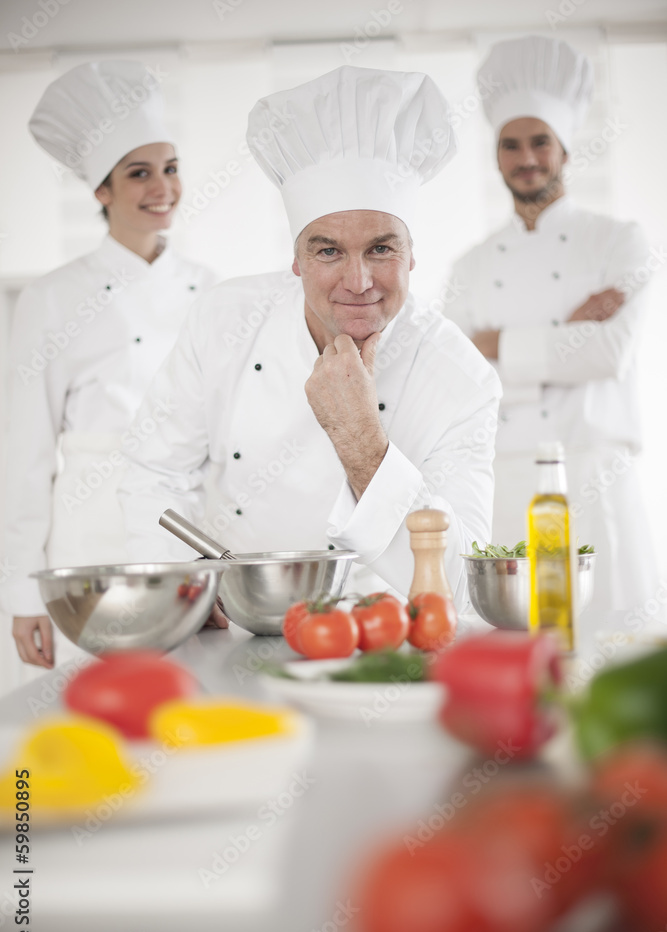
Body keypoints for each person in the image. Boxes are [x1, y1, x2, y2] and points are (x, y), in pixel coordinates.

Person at [119, 65, 501, 609]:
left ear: (413, 254)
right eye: (328, 252)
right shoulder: (226, 319)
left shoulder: (461, 381)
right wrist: (181, 590)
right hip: (234, 619)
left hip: (379, 639)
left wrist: (363, 441)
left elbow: (462, 586)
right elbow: (153, 470)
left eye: (381, 249)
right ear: (295, 261)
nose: (358, 281)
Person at [2, 60, 219, 667]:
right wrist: (23, 592)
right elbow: (27, 453)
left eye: (171, 169)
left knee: (196, 701)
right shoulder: (52, 298)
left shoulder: (210, 289)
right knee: (97, 709)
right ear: (102, 191)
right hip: (90, 530)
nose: (163, 188)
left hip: (191, 527)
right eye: (139, 173)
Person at [445, 35, 656, 618]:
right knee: (519, 638)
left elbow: (608, 353)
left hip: (596, 467)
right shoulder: (471, 265)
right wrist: (561, 334)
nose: (526, 157)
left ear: (565, 148)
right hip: (507, 473)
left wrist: (494, 344)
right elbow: (458, 377)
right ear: (496, 156)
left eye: (540, 140)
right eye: (510, 144)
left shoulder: (620, 241)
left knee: (614, 637)